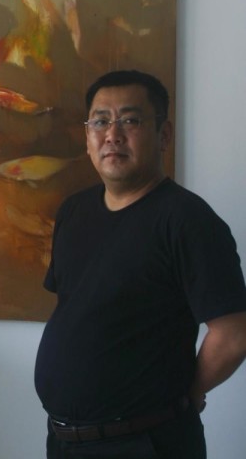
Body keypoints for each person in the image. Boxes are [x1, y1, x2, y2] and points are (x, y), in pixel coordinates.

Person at [34, 70, 246, 458]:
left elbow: (234, 334)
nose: (112, 134)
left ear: (164, 135)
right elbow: (74, 309)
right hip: (64, 441)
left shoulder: (187, 220)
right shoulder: (74, 211)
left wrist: (189, 392)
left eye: (130, 120)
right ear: (87, 136)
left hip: (145, 442)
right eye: (100, 121)